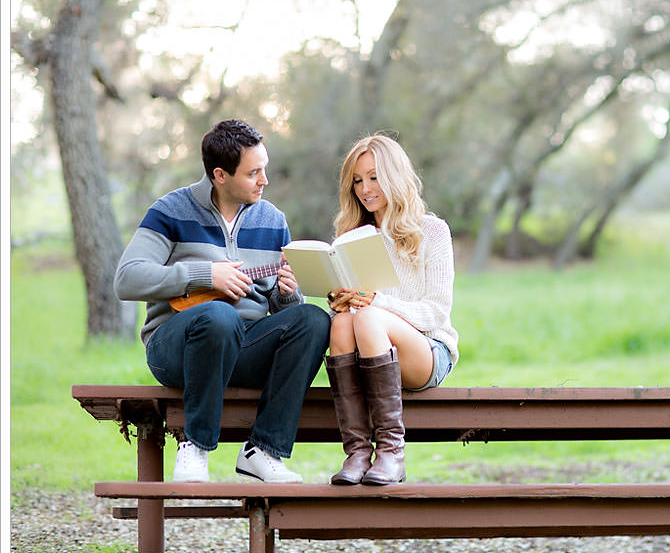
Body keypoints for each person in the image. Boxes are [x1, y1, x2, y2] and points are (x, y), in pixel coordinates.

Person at [114, 119, 330, 483]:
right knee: (217, 315)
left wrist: (288, 293)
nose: (264, 180)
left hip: (245, 347)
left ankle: (263, 451)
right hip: (178, 350)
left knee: (314, 319)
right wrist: (204, 275)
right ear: (220, 175)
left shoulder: (272, 220)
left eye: (265, 169)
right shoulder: (171, 211)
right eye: (253, 173)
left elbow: (285, 314)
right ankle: (195, 446)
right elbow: (127, 278)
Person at [325, 133, 459, 485]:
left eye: (373, 177)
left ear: (395, 176)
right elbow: (355, 319)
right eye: (357, 180)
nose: (365, 188)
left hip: (427, 350)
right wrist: (342, 304)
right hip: (371, 355)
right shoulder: (352, 237)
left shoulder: (432, 231)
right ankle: (356, 453)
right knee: (340, 325)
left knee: (369, 317)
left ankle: (390, 453)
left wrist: (375, 302)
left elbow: (437, 313)